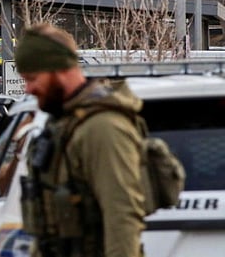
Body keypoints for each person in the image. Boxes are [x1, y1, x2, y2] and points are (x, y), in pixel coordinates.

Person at [14, 23, 145, 257]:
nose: (28, 89)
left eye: (33, 78)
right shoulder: (62, 124)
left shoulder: (102, 128)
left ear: (60, 69)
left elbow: (122, 218)